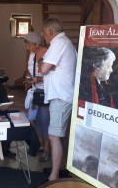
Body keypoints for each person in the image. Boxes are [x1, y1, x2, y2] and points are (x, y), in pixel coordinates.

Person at [39, 18, 77, 181]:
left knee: (54, 136)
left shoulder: (58, 43)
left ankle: (54, 176)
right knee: (58, 135)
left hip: (61, 96)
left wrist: (45, 64)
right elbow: (46, 67)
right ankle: (59, 169)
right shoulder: (65, 42)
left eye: (43, 32)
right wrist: (47, 64)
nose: (43, 36)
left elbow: (43, 69)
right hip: (63, 95)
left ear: (50, 32)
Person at [24, 32, 50, 162]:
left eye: (29, 44)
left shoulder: (48, 53)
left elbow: (53, 75)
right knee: (35, 120)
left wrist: (38, 79)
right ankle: (40, 144)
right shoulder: (32, 54)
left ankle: (47, 149)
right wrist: (31, 78)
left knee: (45, 122)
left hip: (46, 93)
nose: (27, 48)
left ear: (37, 44)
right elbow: (31, 70)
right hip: (35, 91)